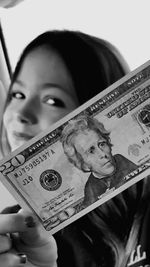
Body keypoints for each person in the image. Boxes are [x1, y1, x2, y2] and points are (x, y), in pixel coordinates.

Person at [0, 29, 148, 267]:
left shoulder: (144, 205)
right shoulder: (16, 232)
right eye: (17, 94)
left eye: (53, 100)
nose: (21, 113)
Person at [61, 115, 138, 207]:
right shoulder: (91, 192)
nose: (102, 154)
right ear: (83, 164)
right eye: (91, 151)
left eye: (102, 144)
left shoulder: (121, 161)